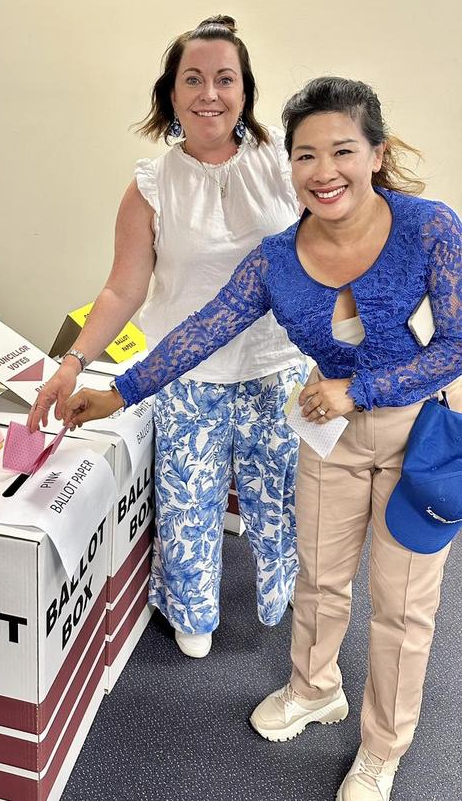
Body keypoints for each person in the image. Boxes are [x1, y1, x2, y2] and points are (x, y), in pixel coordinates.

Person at [60, 76, 462, 801]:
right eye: (305, 156)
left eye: (342, 150)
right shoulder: (278, 258)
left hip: (414, 433)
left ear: (376, 153)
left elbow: (455, 345)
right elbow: (202, 331)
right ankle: (314, 689)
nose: (323, 171)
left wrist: (359, 388)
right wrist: (115, 389)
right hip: (326, 429)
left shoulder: (430, 226)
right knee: (320, 575)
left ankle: (382, 748)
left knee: (402, 604)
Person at [29, 15, 306, 658]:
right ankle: (191, 609)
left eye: (224, 79)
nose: (209, 92)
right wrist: (73, 362)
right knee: (189, 502)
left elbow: (328, 257)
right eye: (193, 79)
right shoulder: (152, 185)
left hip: (275, 362)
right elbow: (124, 289)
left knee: (282, 494)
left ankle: (282, 585)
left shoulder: (283, 164)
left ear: (245, 91)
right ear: (172, 95)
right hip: (185, 372)